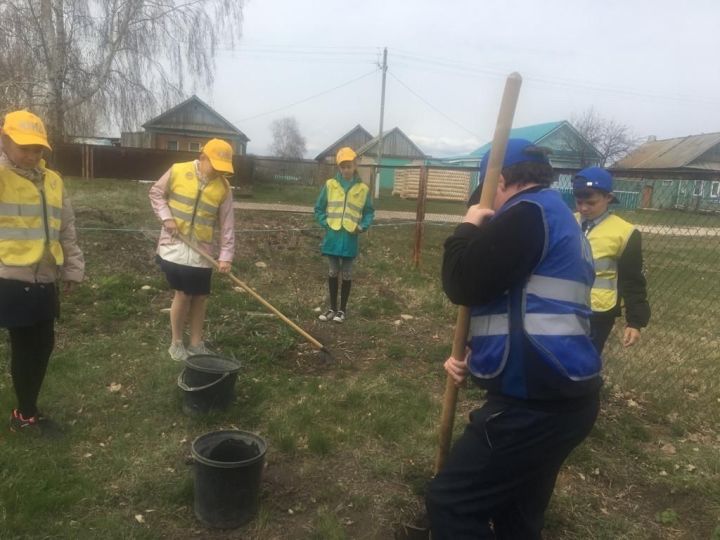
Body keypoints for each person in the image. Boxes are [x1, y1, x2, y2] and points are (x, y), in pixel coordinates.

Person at [426, 139, 603, 539]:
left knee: (451, 502)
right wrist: (476, 354)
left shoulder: (526, 213)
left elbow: (463, 282)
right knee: (517, 514)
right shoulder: (557, 217)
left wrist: (467, 228)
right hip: (566, 400)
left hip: (533, 409)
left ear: (501, 181)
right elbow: (526, 303)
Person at [0, 110, 85, 434]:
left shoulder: (53, 181)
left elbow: (67, 227)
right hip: (10, 276)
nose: (32, 155)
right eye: (23, 148)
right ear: (4, 140)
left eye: (38, 149)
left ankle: (28, 407)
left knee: (44, 344)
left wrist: (74, 269)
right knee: (25, 345)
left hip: (45, 276)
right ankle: (25, 415)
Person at [149, 138, 235, 361]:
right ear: (203, 157)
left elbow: (227, 224)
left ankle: (196, 344)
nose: (218, 172)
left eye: (222, 169)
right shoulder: (178, 170)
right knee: (183, 293)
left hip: (202, 251)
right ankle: (176, 342)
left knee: (201, 296)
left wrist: (226, 256)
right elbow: (156, 194)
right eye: (215, 166)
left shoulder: (223, 188)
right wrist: (167, 218)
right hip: (174, 246)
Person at [573, 167, 650, 354]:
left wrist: (635, 321)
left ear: (608, 197)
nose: (583, 208)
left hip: (598, 312)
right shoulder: (566, 222)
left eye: (591, 203)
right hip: (563, 306)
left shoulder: (625, 232)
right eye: (579, 202)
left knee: (585, 362)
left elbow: (632, 279)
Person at [314, 147, 374, 323]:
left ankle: (342, 310)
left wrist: (362, 226)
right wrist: (326, 223)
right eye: (343, 166)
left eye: (349, 166)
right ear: (339, 168)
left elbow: (369, 212)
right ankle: (331, 308)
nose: (346, 169)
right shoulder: (330, 185)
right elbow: (318, 208)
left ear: (355, 165)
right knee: (333, 271)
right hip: (332, 238)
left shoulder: (363, 189)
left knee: (347, 273)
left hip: (350, 238)